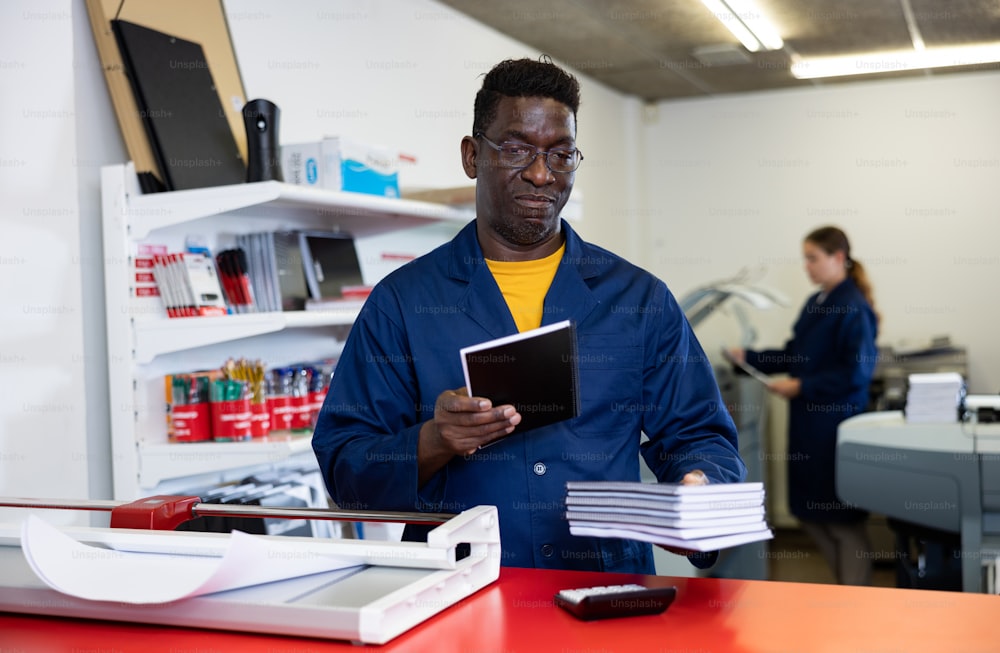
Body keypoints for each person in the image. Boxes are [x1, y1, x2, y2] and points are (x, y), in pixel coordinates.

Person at [312, 56, 746, 574]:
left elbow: (700, 435)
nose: (541, 174)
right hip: (455, 595)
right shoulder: (402, 304)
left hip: (602, 593)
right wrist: (434, 439)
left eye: (561, 155)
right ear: (473, 155)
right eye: (517, 149)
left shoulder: (638, 300)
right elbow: (346, 468)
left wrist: (698, 487)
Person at [728, 226, 878, 585]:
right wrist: (748, 357)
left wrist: (802, 386)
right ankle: (846, 589)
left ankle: (856, 599)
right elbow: (795, 353)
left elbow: (856, 373)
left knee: (841, 520)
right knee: (811, 513)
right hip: (809, 427)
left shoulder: (854, 307)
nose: (807, 267)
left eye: (813, 258)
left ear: (838, 258)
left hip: (835, 427)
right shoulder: (817, 303)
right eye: (805, 259)